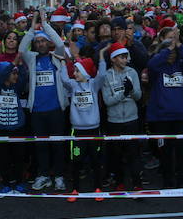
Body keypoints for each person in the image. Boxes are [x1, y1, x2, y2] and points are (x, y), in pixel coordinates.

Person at [19, 10, 70, 192]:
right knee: (41, 145)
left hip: (56, 108)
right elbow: (21, 49)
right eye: (37, 42)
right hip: (37, 111)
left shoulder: (56, 57)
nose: (40, 44)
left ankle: (58, 176)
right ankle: (43, 175)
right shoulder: (31, 59)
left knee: (57, 145)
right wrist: (32, 29)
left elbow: (58, 42)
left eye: (43, 41)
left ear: (47, 43)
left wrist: (45, 23)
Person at [146, 34, 183, 188]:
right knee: (165, 153)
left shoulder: (182, 66)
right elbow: (152, 64)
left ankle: (181, 181)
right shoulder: (156, 69)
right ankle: (168, 181)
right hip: (161, 118)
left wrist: (179, 46)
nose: (171, 55)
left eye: (174, 53)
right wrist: (168, 48)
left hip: (182, 116)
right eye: (168, 53)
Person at [57, 51, 108, 199]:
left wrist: (101, 57)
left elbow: (102, 75)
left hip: (94, 131)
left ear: (85, 72)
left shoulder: (93, 84)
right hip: (77, 132)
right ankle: (75, 190)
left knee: (96, 161)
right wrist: (62, 63)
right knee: (76, 161)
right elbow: (64, 79)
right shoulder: (73, 85)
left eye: (78, 70)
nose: (75, 72)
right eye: (75, 70)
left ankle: (98, 188)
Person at [101, 41, 144, 190]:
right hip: (114, 121)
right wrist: (124, 93)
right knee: (116, 155)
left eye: (126, 57)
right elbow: (107, 101)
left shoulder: (132, 73)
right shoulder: (106, 75)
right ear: (113, 59)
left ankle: (137, 183)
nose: (125, 60)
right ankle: (119, 181)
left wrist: (131, 90)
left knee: (134, 154)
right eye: (121, 57)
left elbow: (138, 96)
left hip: (132, 119)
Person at [0, 60, 29, 194]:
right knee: (3, 158)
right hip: (1, 128)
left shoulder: (17, 87)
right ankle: (5, 183)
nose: (15, 76)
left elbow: (24, 77)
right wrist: (13, 64)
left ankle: (19, 181)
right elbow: (1, 77)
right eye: (13, 73)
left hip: (18, 127)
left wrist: (20, 64)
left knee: (19, 157)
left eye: (15, 73)